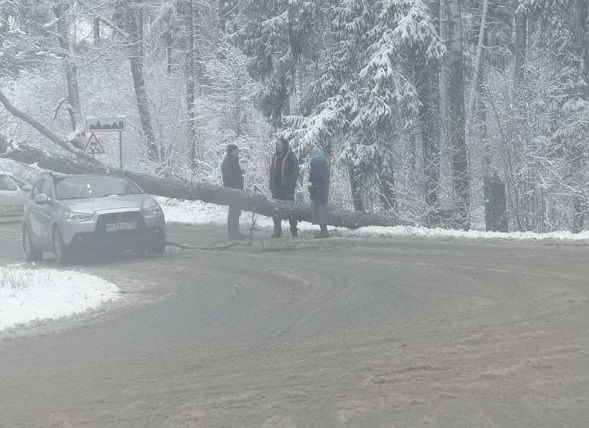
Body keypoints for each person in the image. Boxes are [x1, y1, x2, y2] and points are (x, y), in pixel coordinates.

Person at [269, 137, 299, 237]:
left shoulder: (291, 156)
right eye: (277, 145)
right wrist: (271, 184)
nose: (278, 147)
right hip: (276, 188)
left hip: (287, 189)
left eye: (280, 145)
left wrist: (291, 186)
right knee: (276, 210)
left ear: (285, 145)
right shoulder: (275, 157)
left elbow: (295, 173)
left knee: (291, 210)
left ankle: (294, 231)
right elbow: (271, 172)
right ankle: (277, 231)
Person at [221, 143, 245, 240]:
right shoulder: (228, 162)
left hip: (236, 190)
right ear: (232, 151)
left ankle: (235, 233)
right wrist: (235, 188)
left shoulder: (233, 161)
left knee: (236, 211)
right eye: (236, 150)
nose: (238, 152)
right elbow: (229, 178)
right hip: (232, 191)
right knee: (233, 212)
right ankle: (233, 234)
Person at [308, 146, 330, 238]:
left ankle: (324, 232)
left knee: (320, 210)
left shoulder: (317, 162)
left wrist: (314, 186)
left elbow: (317, 176)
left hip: (318, 189)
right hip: (322, 189)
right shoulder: (322, 162)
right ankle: (323, 231)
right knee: (321, 209)